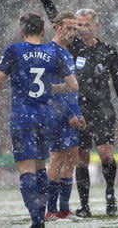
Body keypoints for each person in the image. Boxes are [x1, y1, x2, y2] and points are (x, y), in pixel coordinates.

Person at [32, 0, 118, 217]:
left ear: (96, 26)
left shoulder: (108, 50)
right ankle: (85, 206)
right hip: (80, 109)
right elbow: (55, 17)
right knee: (81, 159)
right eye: (78, 25)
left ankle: (110, 195)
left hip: (103, 109)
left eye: (86, 24)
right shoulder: (74, 47)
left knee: (105, 154)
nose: (81, 29)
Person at [0, 13, 78, 228]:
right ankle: (41, 216)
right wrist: (51, 88)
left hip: (22, 116)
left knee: (26, 170)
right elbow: (73, 86)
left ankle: (36, 220)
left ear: (22, 32)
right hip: (45, 116)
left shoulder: (14, 50)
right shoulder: (53, 53)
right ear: (43, 32)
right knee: (41, 166)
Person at [43, 11, 86, 221]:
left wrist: (77, 113)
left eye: (74, 29)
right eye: (68, 28)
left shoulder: (67, 52)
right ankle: (50, 210)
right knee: (57, 159)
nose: (72, 33)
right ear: (57, 27)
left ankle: (64, 209)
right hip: (57, 116)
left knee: (71, 159)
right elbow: (50, 90)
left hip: (72, 115)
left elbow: (71, 89)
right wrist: (68, 114)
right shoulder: (50, 52)